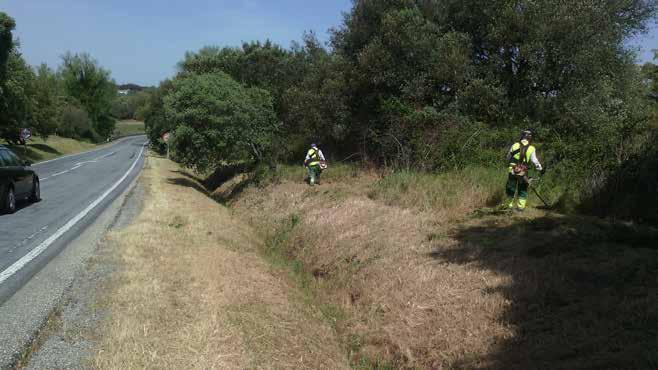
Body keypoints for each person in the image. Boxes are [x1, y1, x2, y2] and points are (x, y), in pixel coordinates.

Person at [505, 129, 545, 211]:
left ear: (522, 136)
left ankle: (508, 206)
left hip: (512, 169)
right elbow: (535, 161)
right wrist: (540, 169)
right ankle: (520, 207)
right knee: (522, 188)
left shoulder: (515, 145)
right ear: (530, 138)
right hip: (523, 171)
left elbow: (508, 157)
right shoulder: (531, 148)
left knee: (511, 188)